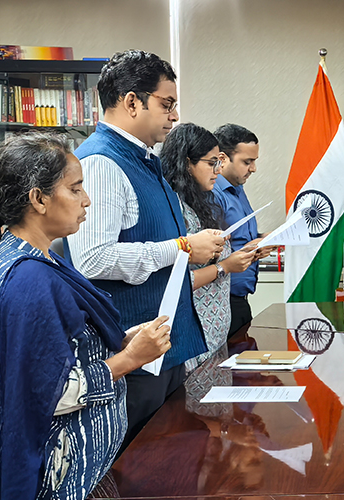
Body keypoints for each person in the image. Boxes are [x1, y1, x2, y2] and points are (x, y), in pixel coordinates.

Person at [0, 133, 171, 500]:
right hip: (54, 477)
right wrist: (129, 359)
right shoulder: (28, 279)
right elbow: (49, 392)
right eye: (76, 188)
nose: (87, 200)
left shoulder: (40, 257)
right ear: (39, 199)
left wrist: (125, 340)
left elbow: (62, 347)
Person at [66, 49, 224, 448]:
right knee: (141, 468)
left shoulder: (141, 159)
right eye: (166, 104)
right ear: (132, 101)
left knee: (174, 459)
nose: (174, 116)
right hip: (132, 350)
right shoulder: (102, 164)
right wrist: (183, 246)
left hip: (160, 347)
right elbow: (92, 258)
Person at [161, 123, 259, 373]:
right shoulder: (174, 207)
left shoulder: (199, 202)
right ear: (186, 163)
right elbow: (178, 280)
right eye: (211, 163)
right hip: (195, 329)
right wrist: (225, 266)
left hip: (215, 327)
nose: (218, 171)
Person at [210, 123, 276, 337]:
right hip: (220, 300)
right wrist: (250, 248)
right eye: (247, 162)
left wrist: (260, 240)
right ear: (222, 158)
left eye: (254, 161)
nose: (253, 168)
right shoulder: (212, 193)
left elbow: (236, 238)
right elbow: (206, 251)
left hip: (240, 300)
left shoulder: (237, 189)